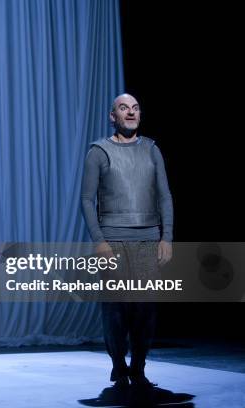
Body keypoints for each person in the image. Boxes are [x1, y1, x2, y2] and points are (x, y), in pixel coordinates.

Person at [81, 94, 173, 387]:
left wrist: (166, 237)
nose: (130, 112)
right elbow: (86, 200)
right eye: (124, 108)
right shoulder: (98, 151)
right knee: (115, 310)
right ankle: (118, 364)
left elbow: (164, 196)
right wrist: (99, 240)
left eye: (135, 108)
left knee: (145, 310)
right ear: (113, 116)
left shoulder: (151, 150)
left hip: (147, 239)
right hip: (113, 242)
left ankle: (139, 365)